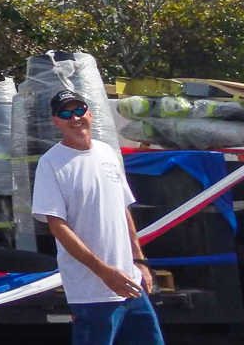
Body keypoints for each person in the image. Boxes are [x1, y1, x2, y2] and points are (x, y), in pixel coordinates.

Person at [32, 90, 162, 344]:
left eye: (79, 110)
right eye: (66, 113)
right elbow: (58, 227)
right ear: (56, 121)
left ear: (90, 113)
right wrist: (103, 272)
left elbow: (123, 209)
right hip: (92, 293)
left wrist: (140, 262)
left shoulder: (106, 153)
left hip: (130, 285)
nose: (75, 118)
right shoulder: (51, 163)